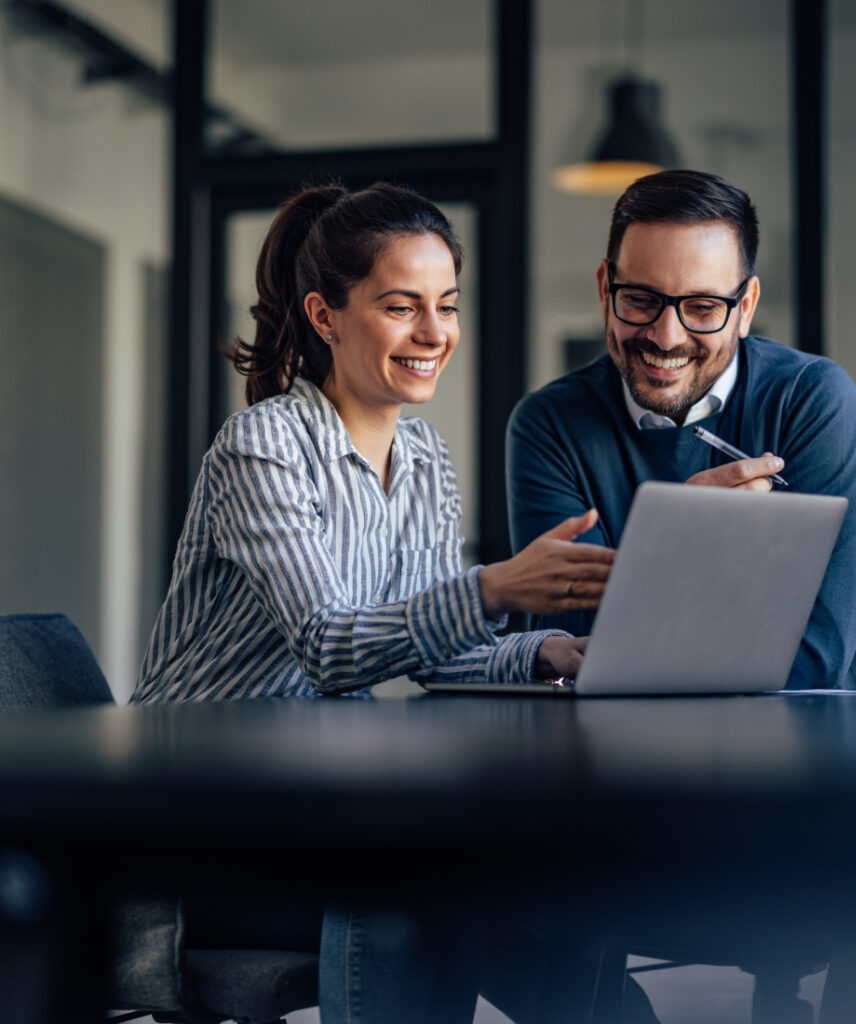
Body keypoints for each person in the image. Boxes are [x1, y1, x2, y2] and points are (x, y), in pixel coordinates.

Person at [131, 181, 617, 1023]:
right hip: (201, 831)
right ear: (325, 316)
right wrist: (496, 585)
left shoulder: (425, 458)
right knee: (420, 888)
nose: (435, 334)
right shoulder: (263, 446)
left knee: (560, 910)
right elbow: (329, 647)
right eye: (402, 307)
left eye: (446, 306)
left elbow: (434, 649)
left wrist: (540, 653)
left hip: (316, 803)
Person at [507, 169, 856, 693]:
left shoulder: (814, 400)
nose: (666, 337)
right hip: (628, 741)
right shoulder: (548, 425)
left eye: (703, 307)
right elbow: (577, 650)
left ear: (746, 308)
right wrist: (679, 544)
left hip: (830, 729)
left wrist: (648, 597)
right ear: (606, 289)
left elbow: (816, 653)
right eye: (641, 299)